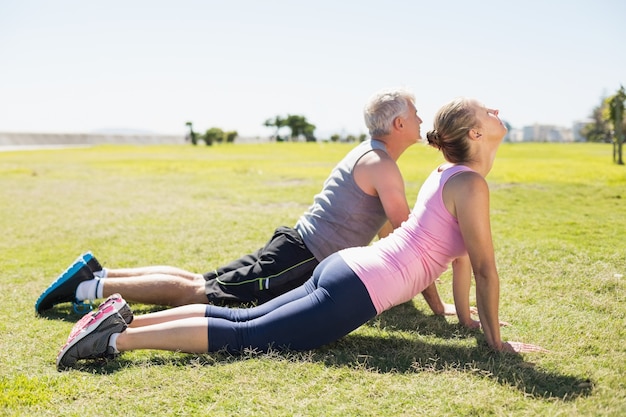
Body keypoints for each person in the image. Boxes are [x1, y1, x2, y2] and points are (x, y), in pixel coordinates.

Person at [56, 97, 547, 369]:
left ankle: (122, 323)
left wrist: (467, 323)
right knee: (245, 335)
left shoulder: (445, 176)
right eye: (489, 110)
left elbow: (461, 262)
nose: (497, 109)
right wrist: (497, 344)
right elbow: (483, 268)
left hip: (347, 268)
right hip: (358, 285)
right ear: (477, 136)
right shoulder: (470, 184)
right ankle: (114, 342)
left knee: (238, 317)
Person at [36, 87, 452, 316]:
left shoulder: (373, 157)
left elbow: (382, 229)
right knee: (201, 294)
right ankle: (90, 285)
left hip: (295, 249)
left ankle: (100, 272)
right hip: (299, 258)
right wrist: (438, 309)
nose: (420, 120)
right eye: (415, 115)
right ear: (398, 123)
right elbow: (408, 244)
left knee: (199, 282)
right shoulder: (381, 165)